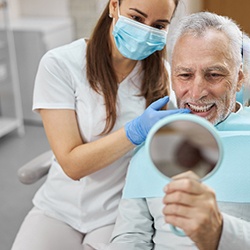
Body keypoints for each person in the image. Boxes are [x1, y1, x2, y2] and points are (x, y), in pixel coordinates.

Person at [11, 0, 191, 249]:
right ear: (113, 6)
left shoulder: (163, 75)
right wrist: (135, 131)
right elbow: (72, 165)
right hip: (58, 208)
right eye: (137, 18)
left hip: (117, 213)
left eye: (159, 25)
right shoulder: (61, 64)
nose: (146, 31)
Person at [108, 12, 250, 250]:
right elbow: (130, 237)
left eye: (214, 75)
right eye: (185, 75)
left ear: (238, 79)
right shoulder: (152, 145)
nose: (196, 93)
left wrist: (221, 232)